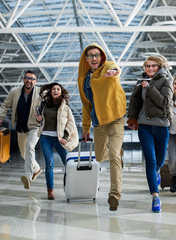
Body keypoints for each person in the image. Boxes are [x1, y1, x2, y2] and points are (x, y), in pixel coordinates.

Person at [77, 43, 126, 211]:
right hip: (98, 122)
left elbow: (115, 68)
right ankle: (119, 151)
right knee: (99, 156)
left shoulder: (108, 67)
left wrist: (114, 72)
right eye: (90, 55)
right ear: (86, 59)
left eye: (97, 55)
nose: (94, 58)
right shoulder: (84, 80)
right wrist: (85, 128)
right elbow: (86, 105)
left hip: (115, 119)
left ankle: (114, 195)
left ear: (102, 56)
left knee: (113, 157)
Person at [127, 55, 173, 213]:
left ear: (160, 66)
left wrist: (149, 88)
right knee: (151, 161)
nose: (150, 68)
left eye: (153, 66)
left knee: (159, 162)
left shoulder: (166, 81)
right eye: (147, 66)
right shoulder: (141, 82)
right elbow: (135, 102)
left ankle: (157, 173)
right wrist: (132, 118)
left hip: (161, 125)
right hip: (144, 125)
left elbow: (164, 102)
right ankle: (155, 196)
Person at [0, 70, 42, 189]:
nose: (29, 80)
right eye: (27, 78)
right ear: (23, 79)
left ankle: (28, 175)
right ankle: (37, 169)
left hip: (35, 126)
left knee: (30, 147)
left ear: (35, 81)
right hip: (20, 127)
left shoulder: (41, 92)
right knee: (23, 153)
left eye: (32, 79)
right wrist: (1, 117)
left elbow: (47, 106)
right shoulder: (14, 92)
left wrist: (43, 118)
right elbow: (5, 105)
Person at [36, 83, 79, 200]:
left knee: (69, 164)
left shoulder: (65, 107)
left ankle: (74, 187)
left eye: (58, 89)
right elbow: (40, 122)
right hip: (45, 137)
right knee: (49, 163)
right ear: (50, 91)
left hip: (59, 139)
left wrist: (65, 137)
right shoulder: (43, 105)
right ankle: (50, 190)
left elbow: (71, 124)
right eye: (53, 89)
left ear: (61, 92)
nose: (55, 90)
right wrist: (39, 120)